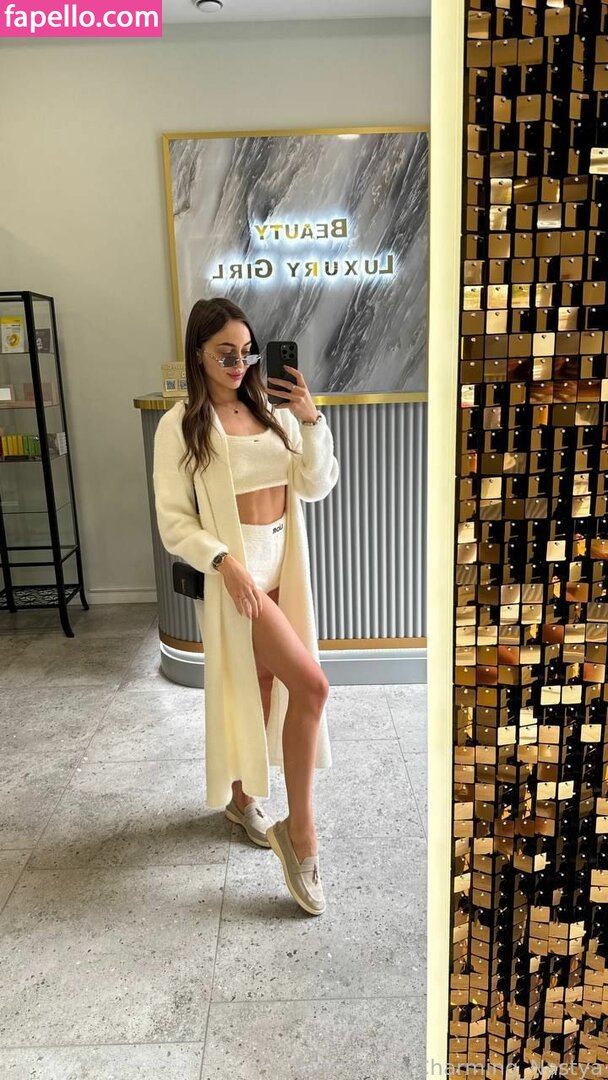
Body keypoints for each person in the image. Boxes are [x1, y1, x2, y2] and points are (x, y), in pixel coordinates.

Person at [152, 297, 340, 915]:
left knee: (263, 686)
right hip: (238, 581)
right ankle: (301, 835)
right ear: (198, 354)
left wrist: (310, 419)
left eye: (246, 352)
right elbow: (175, 522)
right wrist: (223, 563)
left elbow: (314, 485)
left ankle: (241, 799)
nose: (239, 364)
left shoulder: (273, 410)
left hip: (285, 570)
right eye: (225, 353)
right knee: (311, 687)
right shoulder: (180, 425)